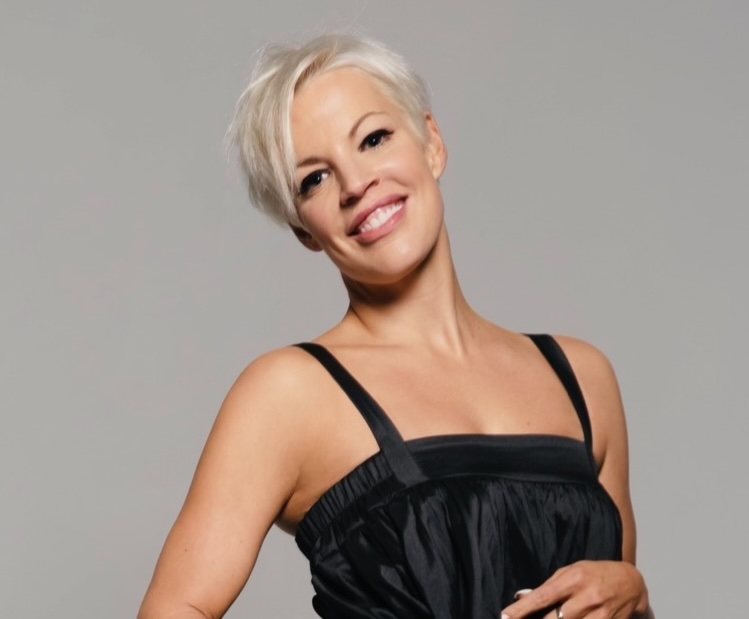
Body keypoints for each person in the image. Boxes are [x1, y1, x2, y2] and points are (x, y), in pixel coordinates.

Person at [138, 34, 653, 619]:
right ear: (303, 230)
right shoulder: (289, 393)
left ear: (432, 143)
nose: (356, 184)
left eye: (374, 139)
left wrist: (638, 601)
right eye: (315, 178)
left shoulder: (582, 380)